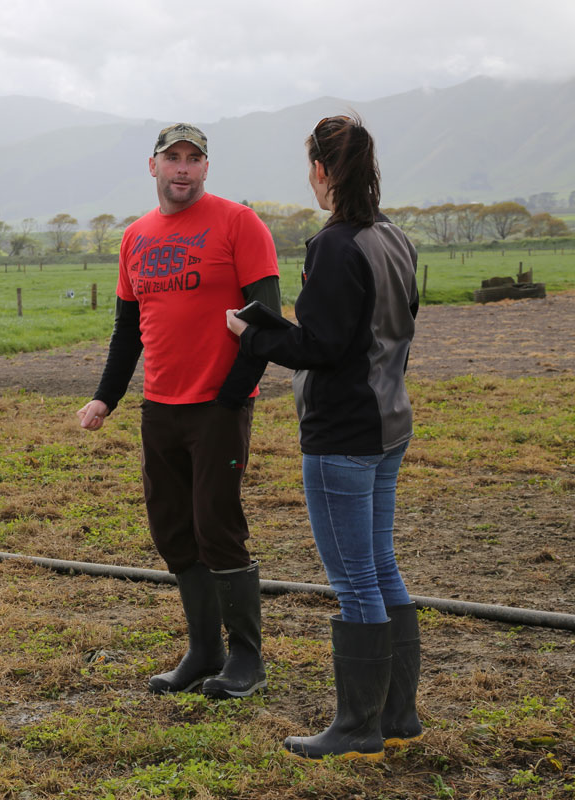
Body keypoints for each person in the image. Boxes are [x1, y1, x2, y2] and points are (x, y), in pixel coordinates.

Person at [226, 114, 421, 761]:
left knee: (356, 579)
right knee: (382, 565)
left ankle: (357, 726)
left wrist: (252, 333)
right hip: (390, 420)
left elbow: (321, 345)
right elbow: (375, 328)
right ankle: (397, 714)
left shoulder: (334, 245)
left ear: (320, 171)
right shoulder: (394, 238)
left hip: (344, 434)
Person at [78, 123, 281, 700]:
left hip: (218, 406)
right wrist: (105, 396)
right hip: (159, 406)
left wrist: (231, 395)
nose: (184, 168)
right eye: (174, 158)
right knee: (172, 530)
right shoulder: (135, 238)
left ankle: (246, 658)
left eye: (195, 159)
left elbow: (266, 321)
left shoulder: (239, 223)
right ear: (154, 166)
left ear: (207, 168)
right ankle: (204, 650)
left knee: (217, 527)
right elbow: (127, 329)